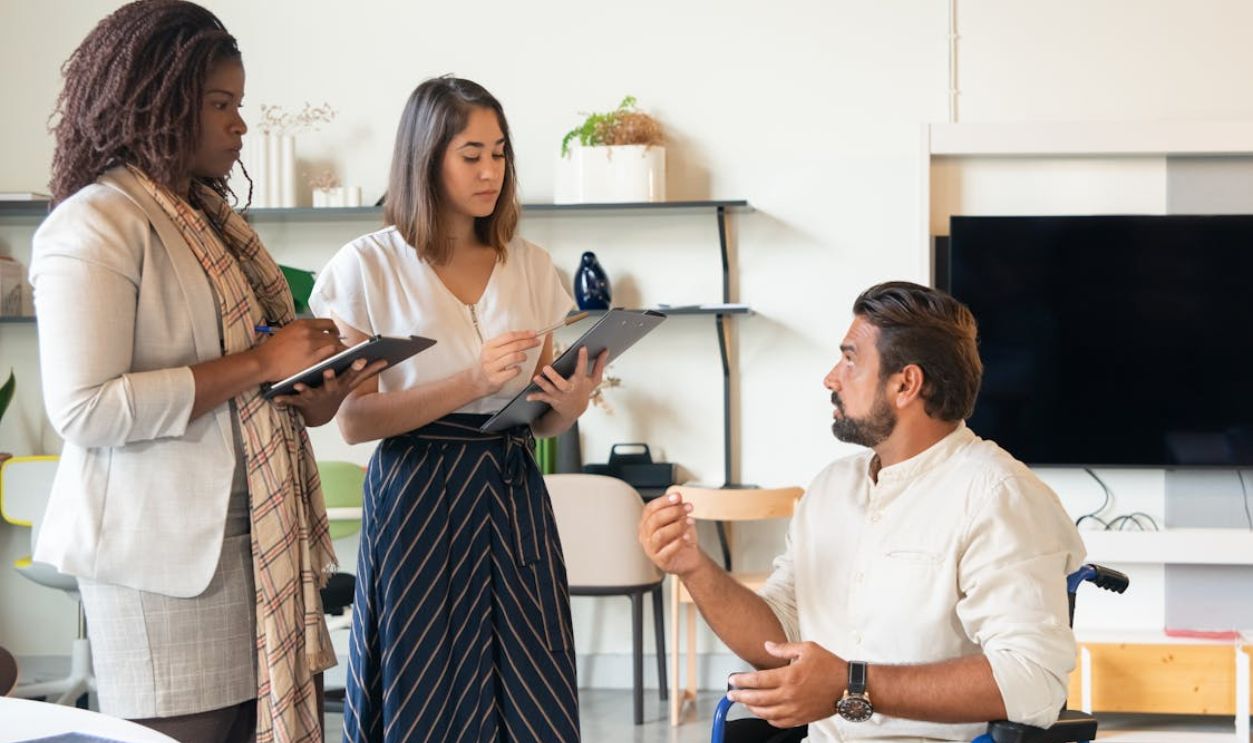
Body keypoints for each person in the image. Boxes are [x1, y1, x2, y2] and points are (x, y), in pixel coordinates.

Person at [30, 2, 381, 741]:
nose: (240, 125)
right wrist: (261, 361)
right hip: (160, 567)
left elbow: (254, 390)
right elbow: (86, 408)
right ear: (156, 103)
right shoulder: (94, 223)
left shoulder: (215, 227)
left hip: (259, 544)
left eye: (238, 104)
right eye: (220, 104)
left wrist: (313, 391)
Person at [639, 281, 1086, 743]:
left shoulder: (999, 496)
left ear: (906, 384)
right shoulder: (831, 489)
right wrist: (693, 567)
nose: (831, 378)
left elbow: (1033, 681)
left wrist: (853, 684)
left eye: (850, 360)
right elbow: (778, 642)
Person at [310, 76, 603, 743]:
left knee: (532, 679)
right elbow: (354, 421)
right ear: (426, 158)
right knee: (424, 685)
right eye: (471, 155)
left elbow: (543, 416)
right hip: (417, 496)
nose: (490, 171)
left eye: (499, 153)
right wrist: (471, 379)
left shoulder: (531, 265)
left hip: (512, 491)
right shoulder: (366, 266)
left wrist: (571, 403)